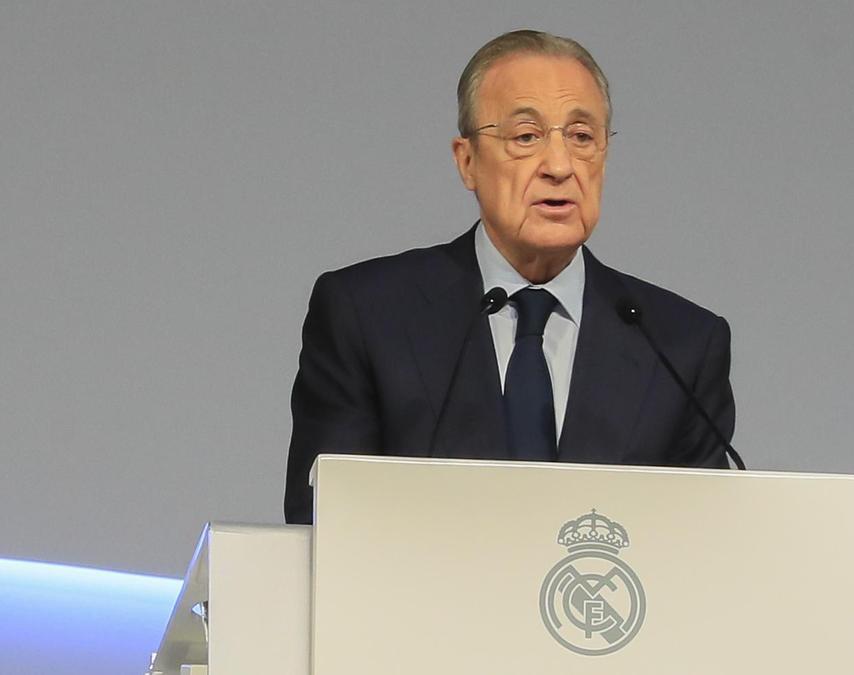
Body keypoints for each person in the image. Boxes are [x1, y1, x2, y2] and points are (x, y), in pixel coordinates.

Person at [284, 30, 735, 524]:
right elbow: (321, 531)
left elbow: (703, 550)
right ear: (468, 161)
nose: (560, 166)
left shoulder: (681, 345)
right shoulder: (367, 316)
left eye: (583, 137)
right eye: (526, 137)